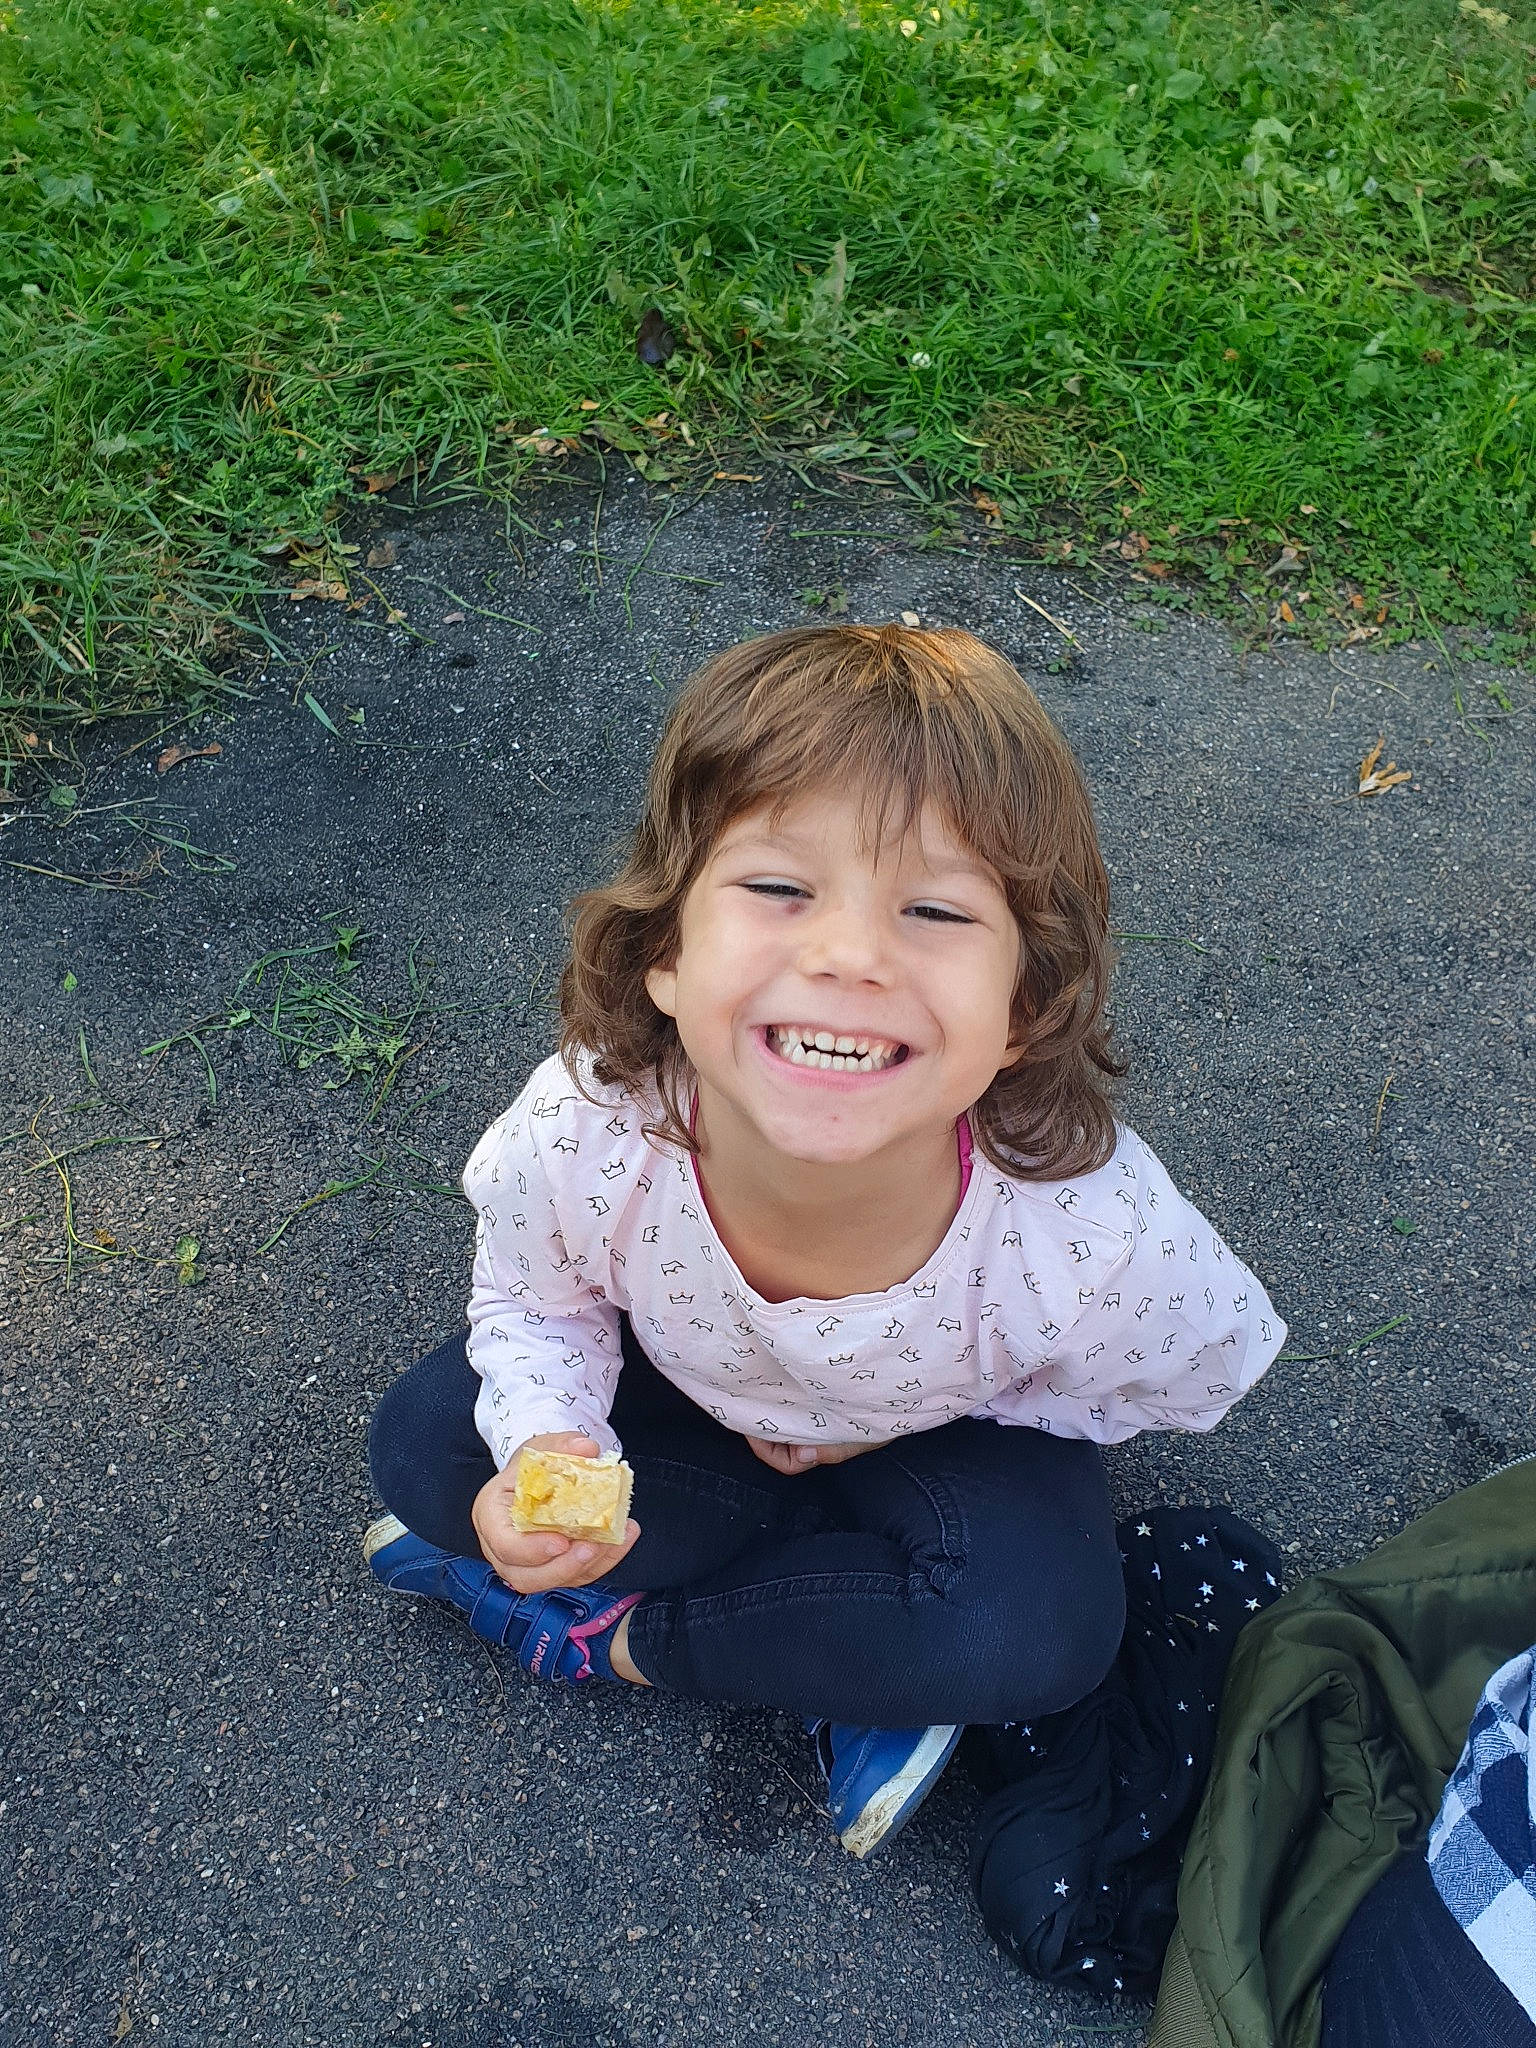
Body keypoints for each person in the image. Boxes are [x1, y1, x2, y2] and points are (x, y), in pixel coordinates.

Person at [365, 624, 1286, 1859]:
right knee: (427, 1451)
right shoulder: (589, 1128)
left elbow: (1179, 1371)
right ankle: (848, 1644)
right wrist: (547, 1443)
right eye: (780, 887)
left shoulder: (1093, 1233)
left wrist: (892, 1416)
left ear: (1026, 1007)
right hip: (697, 1399)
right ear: (666, 957)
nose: (851, 953)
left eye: (935, 908)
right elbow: (538, 1300)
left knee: (1036, 1630)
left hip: (948, 1433)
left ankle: (622, 1638)